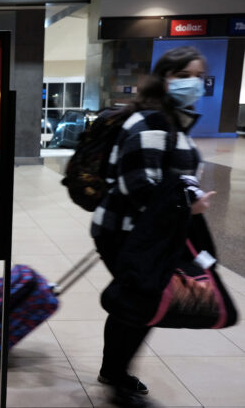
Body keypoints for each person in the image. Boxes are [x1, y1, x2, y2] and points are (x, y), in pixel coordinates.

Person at [90, 46, 215, 407]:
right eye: (183, 75)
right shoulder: (152, 122)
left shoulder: (172, 119)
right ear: (164, 78)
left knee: (137, 303)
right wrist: (189, 207)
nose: (192, 82)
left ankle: (114, 371)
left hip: (149, 232)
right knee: (140, 303)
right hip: (125, 232)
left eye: (197, 75)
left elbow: (172, 177)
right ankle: (115, 377)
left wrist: (187, 193)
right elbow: (139, 185)